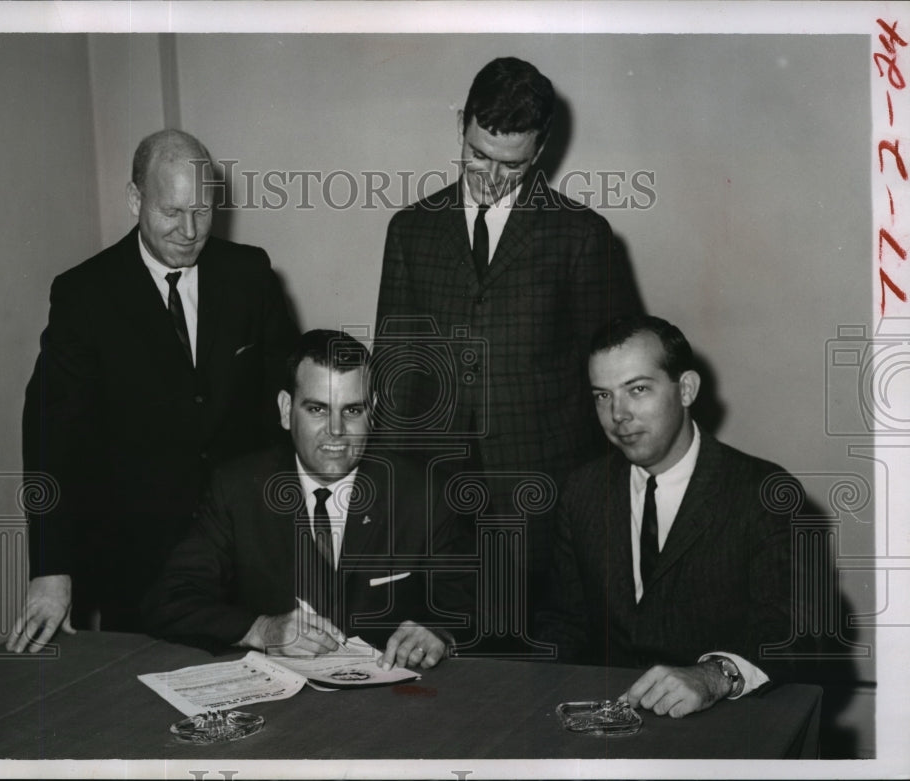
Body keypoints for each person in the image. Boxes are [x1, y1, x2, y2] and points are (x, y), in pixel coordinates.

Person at [8, 129, 298, 652]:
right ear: (135, 199)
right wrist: (51, 568)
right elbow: (52, 438)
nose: (190, 231)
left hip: (244, 550)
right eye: (172, 211)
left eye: (203, 211)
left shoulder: (249, 274)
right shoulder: (84, 295)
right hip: (135, 561)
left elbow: (283, 405)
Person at [374, 57, 642, 621]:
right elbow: (396, 378)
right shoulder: (410, 231)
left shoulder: (581, 237)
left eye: (512, 165)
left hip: (545, 501)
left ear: (541, 151)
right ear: (461, 124)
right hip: (436, 500)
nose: (490, 178)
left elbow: (613, 381)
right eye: (478, 155)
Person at [142, 330, 473, 670]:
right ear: (286, 410)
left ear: (372, 412)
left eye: (353, 410)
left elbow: (481, 602)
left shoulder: (423, 493)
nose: (336, 430)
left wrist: (441, 629)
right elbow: (169, 600)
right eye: (317, 408)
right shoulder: (238, 489)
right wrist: (260, 629)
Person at [537, 315, 802, 718]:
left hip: (725, 723)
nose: (618, 414)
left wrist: (713, 676)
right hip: (608, 727)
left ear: (687, 390)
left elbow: (793, 631)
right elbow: (563, 626)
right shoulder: (582, 492)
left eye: (637, 389)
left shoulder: (762, 491)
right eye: (602, 396)